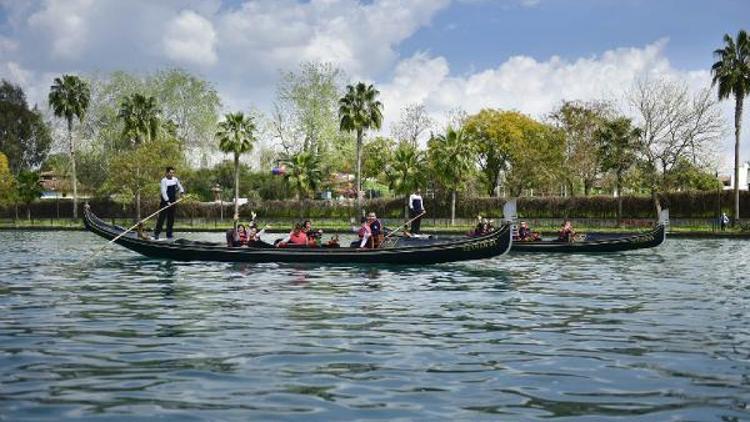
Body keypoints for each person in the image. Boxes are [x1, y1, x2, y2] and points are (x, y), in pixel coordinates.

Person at [153, 166, 184, 240]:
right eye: (170, 173)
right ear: (166, 173)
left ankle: (169, 234)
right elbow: (163, 192)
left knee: (171, 218)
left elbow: (179, 186)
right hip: (165, 201)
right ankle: (157, 233)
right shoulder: (163, 181)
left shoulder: (175, 179)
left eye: (173, 173)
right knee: (162, 218)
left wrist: (182, 193)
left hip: (173, 201)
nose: (172, 174)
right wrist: (167, 201)